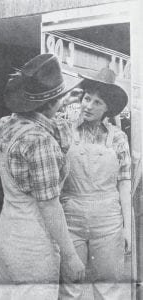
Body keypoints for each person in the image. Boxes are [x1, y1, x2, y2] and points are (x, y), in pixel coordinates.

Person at [0, 53, 85, 300]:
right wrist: (70, 256)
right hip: (34, 250)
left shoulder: (5, 124)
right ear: (51, 103)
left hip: (6, 241)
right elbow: (49, 205)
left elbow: (40, 122)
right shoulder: (41, 142)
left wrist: (59, 103)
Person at [59, 68, 131, 300]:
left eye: (97, 102)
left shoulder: (118, 138)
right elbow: (42, 117)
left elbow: (124, 185)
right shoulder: (66, 129)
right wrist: (63, 100)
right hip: (71, 218)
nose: (89, 106)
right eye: (87, 98)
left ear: (107, 108)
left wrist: (127, 228)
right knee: (71, 285)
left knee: (109, 287)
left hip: (108, 221)